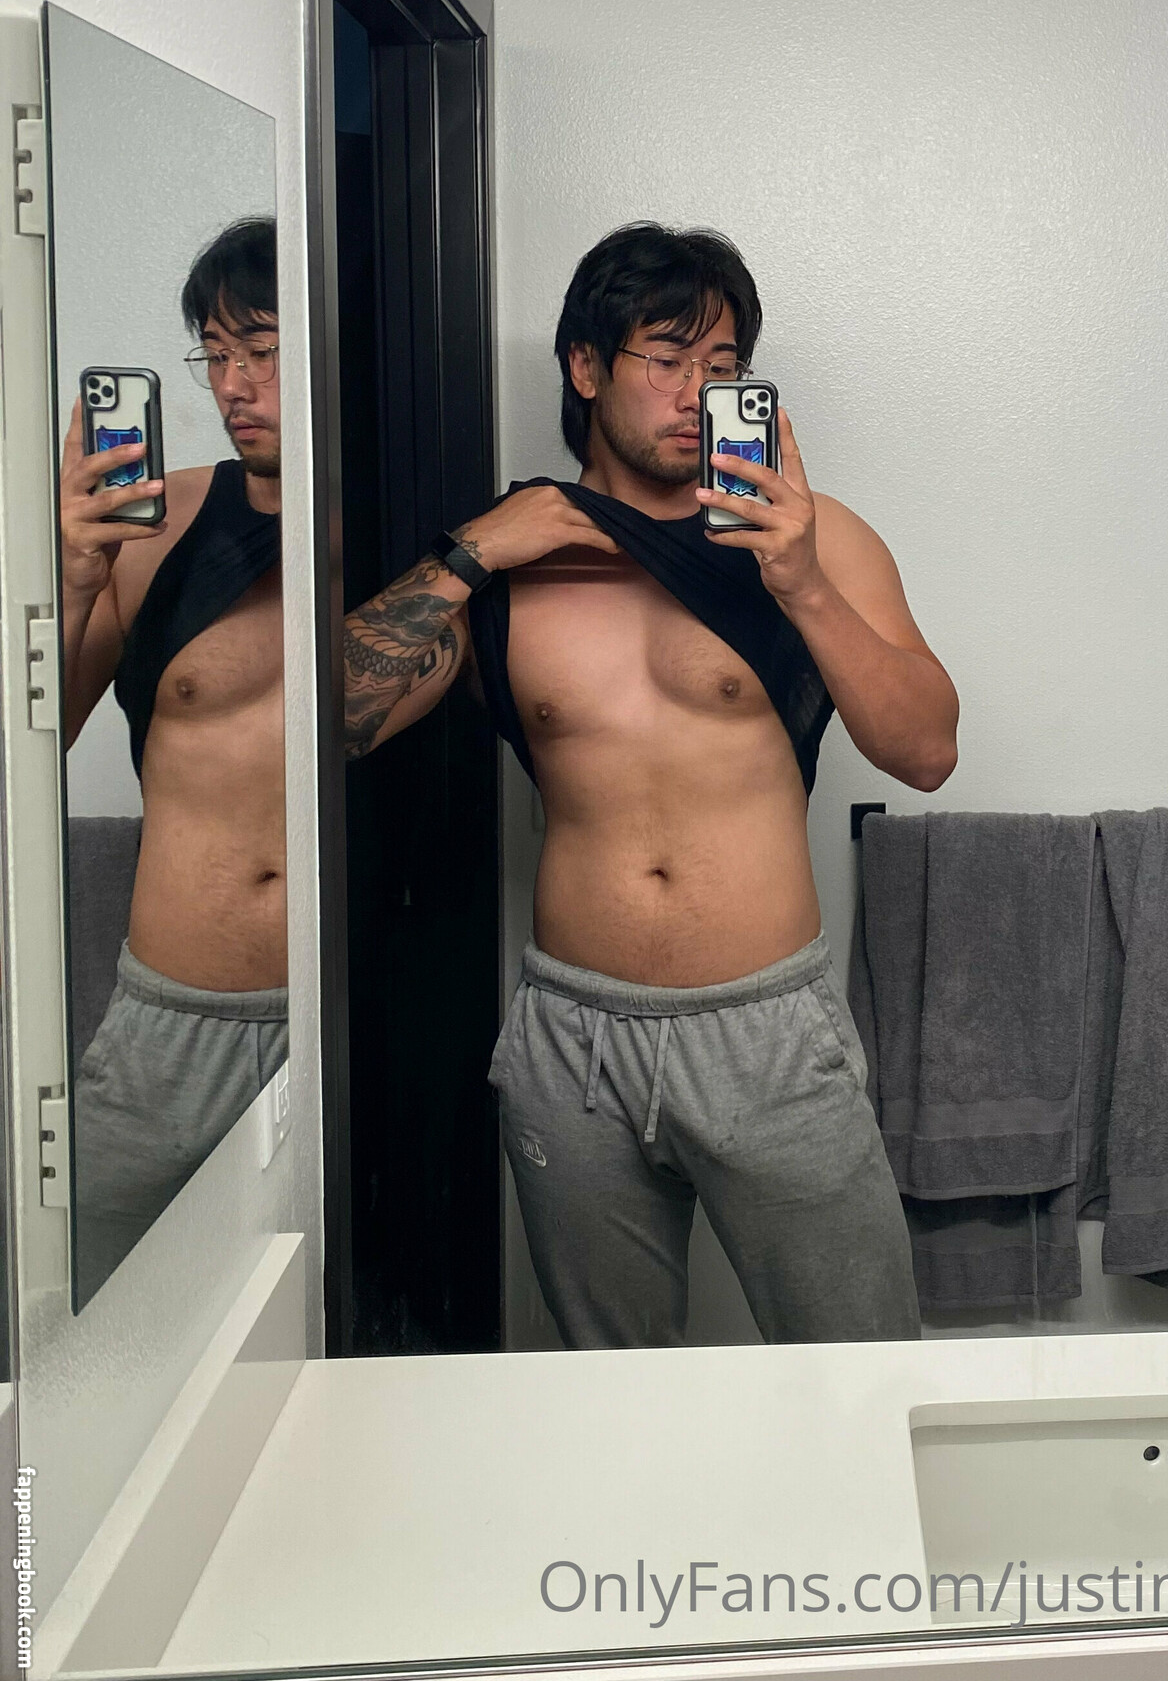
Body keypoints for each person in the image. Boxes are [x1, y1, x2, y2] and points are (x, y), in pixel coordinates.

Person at [343, 223, 959, 1347]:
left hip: (769, 1034)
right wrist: (472, 552)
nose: (696, 393)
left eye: (722, 367)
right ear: (586, 368)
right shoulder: (510, 564)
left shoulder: (814, 542)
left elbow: (926, 752)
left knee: (858, 1365)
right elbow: (334, 724)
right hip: (573, 1042)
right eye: (667, 359)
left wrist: (804, 586)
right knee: (608, 1387)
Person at [61, 217, 289, 1281]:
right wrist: (73, 576)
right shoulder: (153, 531)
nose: (233, 385)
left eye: (263, 350)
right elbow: (38, 742)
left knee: (333, 1327)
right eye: (216, 354)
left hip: (350, 1018)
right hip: (172, 1020)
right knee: (80, 1312)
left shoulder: (421, 533)